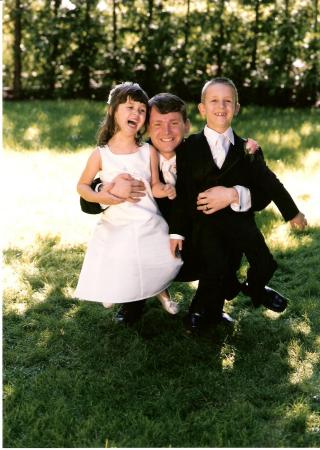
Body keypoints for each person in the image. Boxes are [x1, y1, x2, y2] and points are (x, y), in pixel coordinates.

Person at [169, 77, 307, 333]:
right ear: (202, 109)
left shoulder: (249, 149)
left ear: (237, 107)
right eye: (214, 101)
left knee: (265, 263)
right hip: (205, 227)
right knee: (217, 267)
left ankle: (253, 287)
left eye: (227, 101)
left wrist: (291, 212)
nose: (221, 106)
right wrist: (177, 232)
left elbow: (269, 185)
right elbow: (182, 195)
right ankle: (203, 313)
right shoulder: (188, 149)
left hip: (240, 224)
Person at [75, 82, 183, 315]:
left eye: (142, 110)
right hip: (117, 220)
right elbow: (82, 185)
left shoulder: (148, 151)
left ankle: (164, 296)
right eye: (130, 107)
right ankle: (113, 291)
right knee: (117, 254)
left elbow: (154, 186)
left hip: (146, 217)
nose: (136, 113)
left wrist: (165, 189)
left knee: (155, 256)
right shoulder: (101, 154)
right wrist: (99, 195)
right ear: (114, 111)